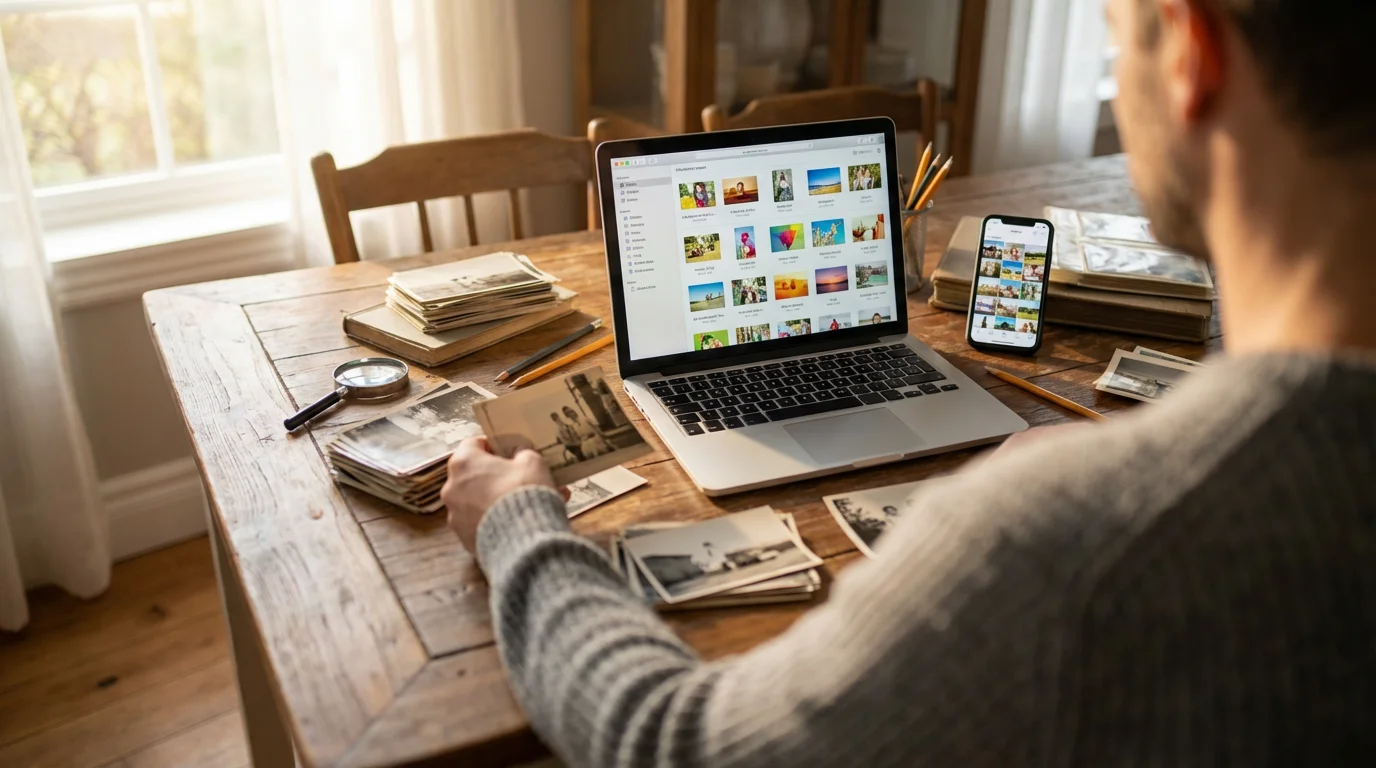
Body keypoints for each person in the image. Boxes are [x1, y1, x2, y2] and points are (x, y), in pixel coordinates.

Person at [442, 1, 1376, 763]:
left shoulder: (1063, 547)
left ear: (1190, 54)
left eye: (1114, 31)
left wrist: (518, 528)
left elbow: (680, 743)